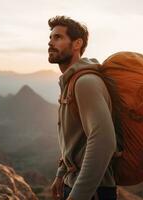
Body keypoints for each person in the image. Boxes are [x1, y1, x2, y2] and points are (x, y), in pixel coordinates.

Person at [48, 16, 117, 200]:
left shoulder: (85, 82)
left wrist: (78, 195)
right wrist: (61, 174)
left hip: (93, 192)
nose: (50, 43)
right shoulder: (71, 81)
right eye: (50, 38)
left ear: (77, 43)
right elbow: (76, 137)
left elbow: (104, 140)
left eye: (58, 38)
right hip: (76, 186)